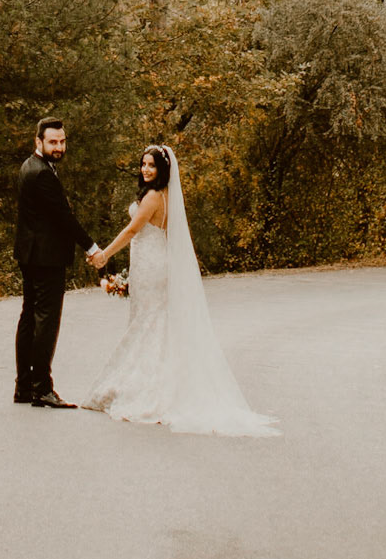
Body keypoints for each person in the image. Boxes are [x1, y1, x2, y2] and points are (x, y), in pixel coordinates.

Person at [82, 144, 277, 436]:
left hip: (150, 266)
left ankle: (147, 389)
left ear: (163, 170)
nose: (145, 169)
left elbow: (132, 230)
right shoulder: (166, 196)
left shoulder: (153, 197)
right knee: (153, 321)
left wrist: (104, 255)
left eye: (152, 165)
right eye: (143, 164)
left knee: (147, 322)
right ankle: (158, 382)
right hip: (154, 262)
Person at [13, 116, 101, 409]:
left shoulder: (30, 166)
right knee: (45, 321)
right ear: (38, 141)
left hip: (30, 254)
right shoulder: (42, 174)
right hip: (45, 257)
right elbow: (64, 218)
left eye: (62, 142)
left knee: (29, 317)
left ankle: (24, 386)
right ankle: (42, 388)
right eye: (53, 142)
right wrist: (91, 247)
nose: (59, 147)